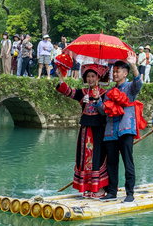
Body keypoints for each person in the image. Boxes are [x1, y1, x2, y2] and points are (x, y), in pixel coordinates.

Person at [55, 64, 110, 198]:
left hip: (99, 130)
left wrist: (98, 100)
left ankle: (99, 188)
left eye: (93, 76)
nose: (90, 79)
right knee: (84, 158)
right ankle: (87, 187)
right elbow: (68, 91)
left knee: (98, 157)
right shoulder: (83, 93)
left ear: (98, 77)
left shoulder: (105, 93)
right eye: (88, 76)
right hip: (85, 130)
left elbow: (106, 112)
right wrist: (61, 77)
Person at [97, 54, 142, 203]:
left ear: (125, 73)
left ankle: (130, 193)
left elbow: (139, 84)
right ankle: (112, 192)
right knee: (111, 162)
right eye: (114, 71)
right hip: (110, 130)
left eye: (118, 71)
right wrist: (98, 100)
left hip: (126, 128)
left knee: (128, 161)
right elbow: (103, 111)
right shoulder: (109, 92)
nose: (115, 74)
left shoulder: (130, 88)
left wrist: (133, 65)